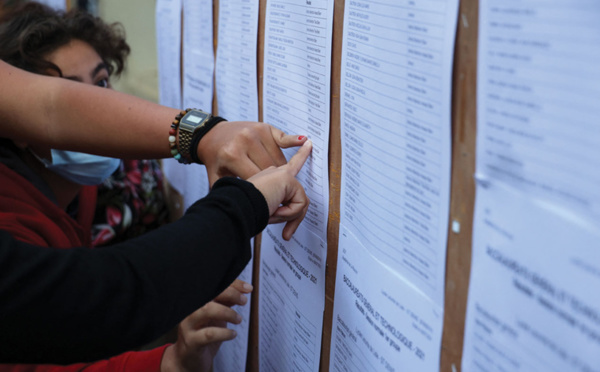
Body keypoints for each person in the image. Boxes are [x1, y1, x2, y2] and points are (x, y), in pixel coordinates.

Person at [0, 4, 312, 366]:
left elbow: (48, 106)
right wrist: (242, 206)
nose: (98, 108)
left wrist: (203, 135)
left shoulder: (77, 194)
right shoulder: (12, 216)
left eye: (102, 85)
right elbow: (94, 300)